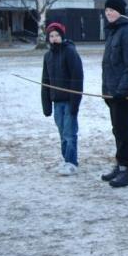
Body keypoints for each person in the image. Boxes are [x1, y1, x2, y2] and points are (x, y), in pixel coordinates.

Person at [100, 0, 128, 188]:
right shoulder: (114, 31)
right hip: (112, 92)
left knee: (123, 130)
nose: (109, 13)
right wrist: (107, 91)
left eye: (112, 10)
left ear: (121, 11)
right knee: (117, 129)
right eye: (107, 10)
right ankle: (120, 164)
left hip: (122, 94)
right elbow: (110, 65)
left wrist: (122, 91)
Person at [41, 22, 84, 176]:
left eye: (57, 35)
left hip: (69, 101)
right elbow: (45, 81)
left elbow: (77, 78)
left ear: (62, 36)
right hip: (56, 102)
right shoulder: (48, 56)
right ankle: (66, 159)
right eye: (51, 36)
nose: (54, 39)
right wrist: (46, 104)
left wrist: (75, 103)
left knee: (69, 133)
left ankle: (71, 162)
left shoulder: (70, 52)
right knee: (62, 133)